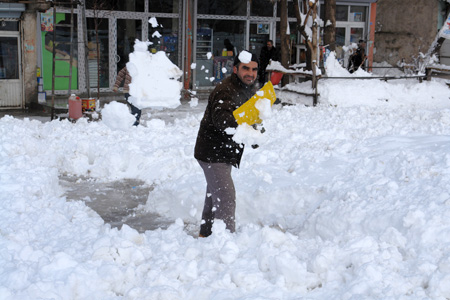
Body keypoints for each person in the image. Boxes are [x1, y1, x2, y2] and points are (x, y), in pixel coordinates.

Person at [194, 51, 259, 238]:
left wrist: (254, 135)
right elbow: (222, 120)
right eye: (245, 68)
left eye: (254, 69)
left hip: (222, 151)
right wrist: (247, 132)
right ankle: (224, 243)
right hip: (213, 153)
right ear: (235, 68)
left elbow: (247, 115)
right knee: (226, 200)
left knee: (214, 196)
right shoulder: (226, 89)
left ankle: (206, 235)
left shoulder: (246, 88)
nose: (250, 73)